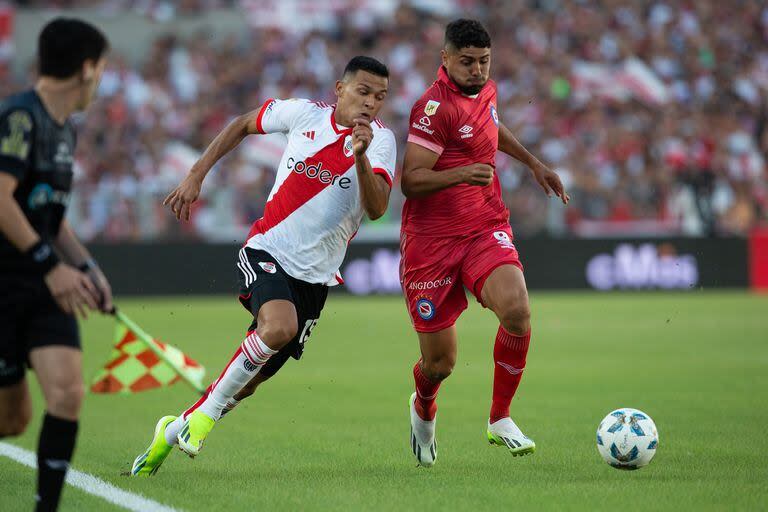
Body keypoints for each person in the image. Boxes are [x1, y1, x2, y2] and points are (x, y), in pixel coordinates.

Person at [131, 56, 396, 475]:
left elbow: (378, 208)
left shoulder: (382, 142)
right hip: (267, 249)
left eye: (379, 97)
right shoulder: (303, 114)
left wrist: (361, 156)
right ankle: (202, 420)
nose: (370, 103)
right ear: (340, 89)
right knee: (278, 327)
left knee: (248, 383)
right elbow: (240, 123)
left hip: (316, 277)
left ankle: (173, 429)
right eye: (363, 92)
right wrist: (197, 173)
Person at [400, 19, 569, 467]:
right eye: (467, 61)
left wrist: (534, 163)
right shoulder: (431, 108)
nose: (477, 70)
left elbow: (491, 129)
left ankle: (500, 417)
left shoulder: (486, 91)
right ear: (446, 59)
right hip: (430, 243)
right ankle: (423, 405)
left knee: (516, 310)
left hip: (482, 226)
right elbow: (411, 181)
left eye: (483, 61)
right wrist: (461, 173)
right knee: (440, 364)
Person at [0, 18, 112, 511]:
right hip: (5, 284)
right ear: (87, 68)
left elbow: (52, 218)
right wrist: (51, 266)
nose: (101, 80)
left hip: (47, 284)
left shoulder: (64, 129)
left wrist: (86, 267)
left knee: (67, 393)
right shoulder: (19, 119)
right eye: (102, 68)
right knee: (12, 421)